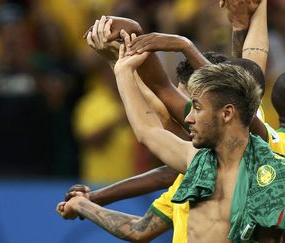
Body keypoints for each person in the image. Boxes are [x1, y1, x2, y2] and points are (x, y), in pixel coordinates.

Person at [59, 34, 285, 241]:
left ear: (227, 113)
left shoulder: (271, 176)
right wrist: (123, 71)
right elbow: (148, 131)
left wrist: (185, 46)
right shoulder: (197, 161)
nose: (188, 118)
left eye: (197, 108)